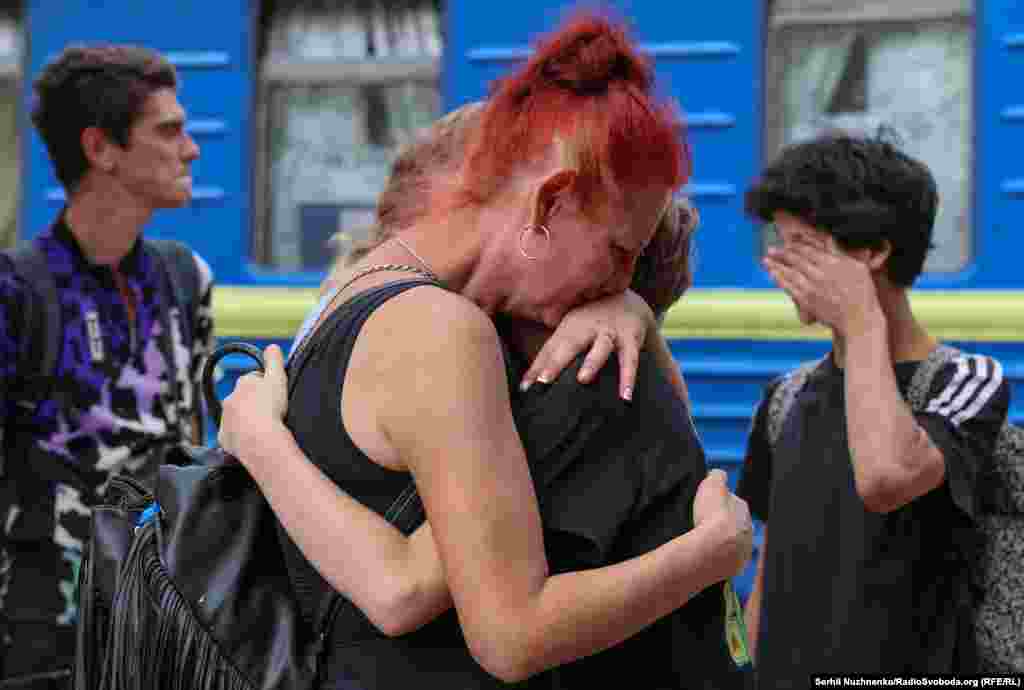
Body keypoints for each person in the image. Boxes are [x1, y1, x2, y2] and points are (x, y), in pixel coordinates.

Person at [218, 12, 752, 690]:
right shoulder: (443, 333)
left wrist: (637, 311)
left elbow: (403, 580)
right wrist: (710, 554)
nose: (618, 280)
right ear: (551, 203)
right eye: (619, 251)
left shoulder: (356, 296)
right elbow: (502, 631)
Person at [738, 131, 1009, 684]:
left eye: (801, 247)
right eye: (777, 243)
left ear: (874, 252)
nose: (778, 265)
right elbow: (771, 569)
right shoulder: (785, 398)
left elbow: (886, 476)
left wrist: (862, 322)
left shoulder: (963, 382)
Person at [0, 45, 213, 688]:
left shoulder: (185, 279)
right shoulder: (19, 294)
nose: (192, 150)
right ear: (103, 148)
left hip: (162, 633)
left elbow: (195, 452)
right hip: (42, 649)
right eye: (169, 130)